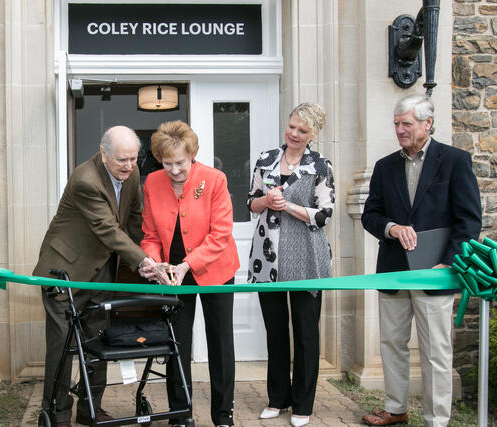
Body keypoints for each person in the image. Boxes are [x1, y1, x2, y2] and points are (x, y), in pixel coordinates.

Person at [361, 94, 481, 427]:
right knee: (391, 343)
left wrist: (448, 264)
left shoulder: (455, 161)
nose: (399, 130)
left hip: (436, 273)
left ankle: (437, 420)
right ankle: (396, 408)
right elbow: (370, 215)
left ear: (427, 123)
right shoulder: (385, 166)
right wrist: (392, 227)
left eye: (407, 124)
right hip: (394, 272)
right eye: (397, 124)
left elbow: (469, 222)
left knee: (436, 352)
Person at [33, 126, 163, 427]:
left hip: (102, 269)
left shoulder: (130, 175)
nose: (130, 166)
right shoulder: (85, 180)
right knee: (62, 345)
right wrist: (142, 260)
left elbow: (133, 219)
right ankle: (56, 413)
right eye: (122, 160)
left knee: (97, 339)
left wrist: (148, 258)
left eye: (134, 158)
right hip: (64, 270)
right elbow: (107, 229)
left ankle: (91, 407)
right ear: (103, 154)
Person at [140, 120, 239, 427]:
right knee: (177, 343)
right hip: (173, 276)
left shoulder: (214, 179)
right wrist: (154, 262)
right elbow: (150, 234)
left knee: (220, 343)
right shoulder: (152, 183)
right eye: (167, 163)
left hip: (215, 271)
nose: (174, 170)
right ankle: (180, 415)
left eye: (180, 163)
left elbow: (220, 234)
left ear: (192, 154)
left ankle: (223, 416)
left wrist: (187, 264)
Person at [246, 102, 334, 427]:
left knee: (306, 333)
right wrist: (266, 201)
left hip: (306, 259)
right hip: (266, 258)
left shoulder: (320, 166)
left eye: (303, 130)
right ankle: (277, 398)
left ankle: (302, 405)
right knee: (275, 331)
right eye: (292, 126)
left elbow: (325, 214)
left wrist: (290, 206)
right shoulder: (266, 159)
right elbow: (250, 202)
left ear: (314, 133)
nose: (294, 134)